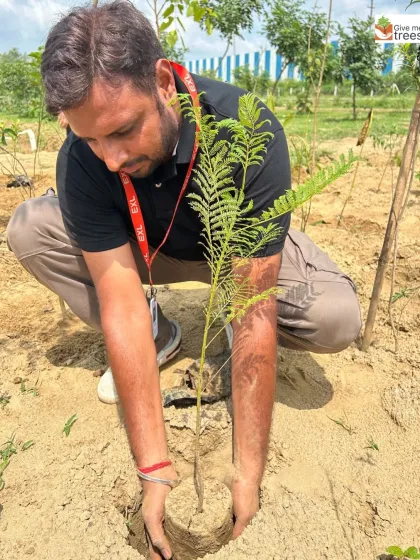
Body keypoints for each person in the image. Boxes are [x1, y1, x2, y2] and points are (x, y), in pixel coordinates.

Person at [6, 2, 362, 558]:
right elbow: (118, 304)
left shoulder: (245, 131)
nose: (112, 157)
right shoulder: (85, 158)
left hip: (233, 250)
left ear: (164, 82)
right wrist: (154, 470)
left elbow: (254, 309)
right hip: (147, 250)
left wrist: (249, 471)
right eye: (93, 140)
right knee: (30, 227)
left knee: (335, 318)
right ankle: (162, 334)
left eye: (124, 130)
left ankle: (217, 309)